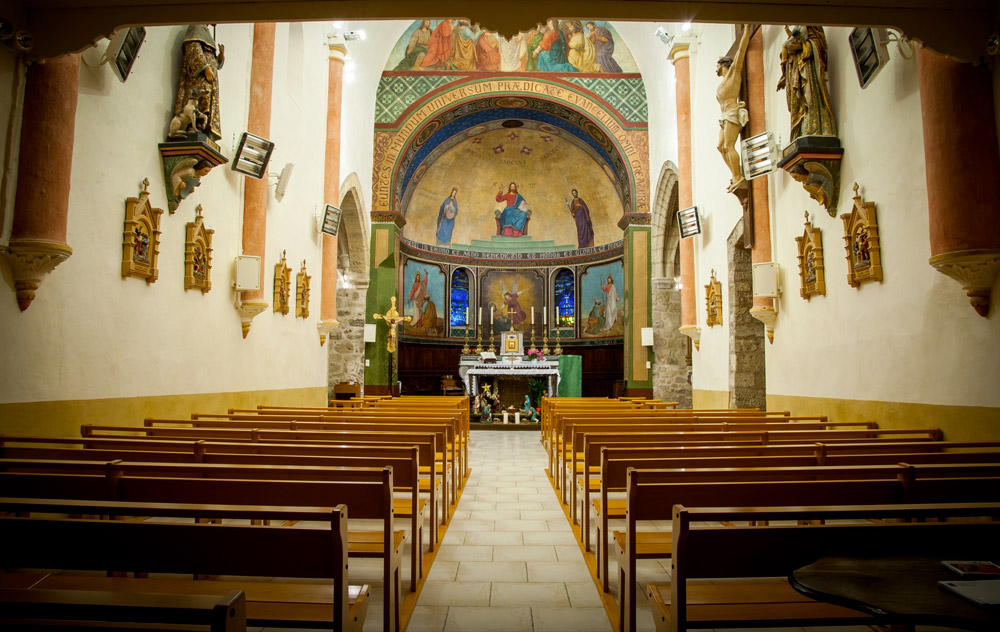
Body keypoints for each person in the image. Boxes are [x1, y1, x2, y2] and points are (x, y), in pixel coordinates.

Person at [777, 26, 837, 141]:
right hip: (797, 69)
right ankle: (802, 128)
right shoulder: (797, 27)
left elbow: (819, 45)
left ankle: (816, 127)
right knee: (800, 101)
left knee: (810, 97)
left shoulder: (811, 23)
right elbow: (789, 44)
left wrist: (802, 47)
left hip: (808, 69)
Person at [716, 25, 752, 191]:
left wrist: (746, 31)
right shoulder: (723, 82)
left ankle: (738, 176)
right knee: (721, 147)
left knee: (728, 146)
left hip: (732, 112)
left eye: (717, 64)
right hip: (724, 117)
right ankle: (734, 174)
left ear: (723, 64)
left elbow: (741, 50)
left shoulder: (733, 73)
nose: (715, 68)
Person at [173, 24, 224, 142]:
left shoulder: (207, 32)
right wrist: (205, 68)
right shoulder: (196, 27)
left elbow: (213, 60)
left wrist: (220, 56)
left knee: (207, 103)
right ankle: (191, 126)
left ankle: (201, 127)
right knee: (199, 97)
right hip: (200, 76)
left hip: (210, 78)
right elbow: (193, 48)